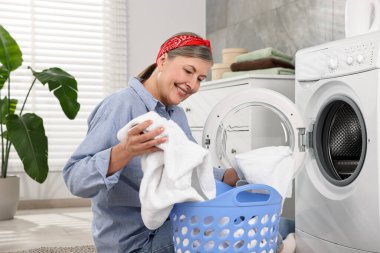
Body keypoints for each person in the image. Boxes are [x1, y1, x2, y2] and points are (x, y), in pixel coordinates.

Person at [63, 32, 292, 253]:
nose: (192, 85)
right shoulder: (121, 105)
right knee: (241, 226)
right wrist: (124, 151)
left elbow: (188, 168)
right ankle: (282, 245)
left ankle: (284, 237)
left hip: (170, 223)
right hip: (136, 242)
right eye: (188, 71)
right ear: (162, 61)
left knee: (273, 221)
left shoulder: (176, 115)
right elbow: (75, 179)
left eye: (200, 78)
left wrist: (225, 176)